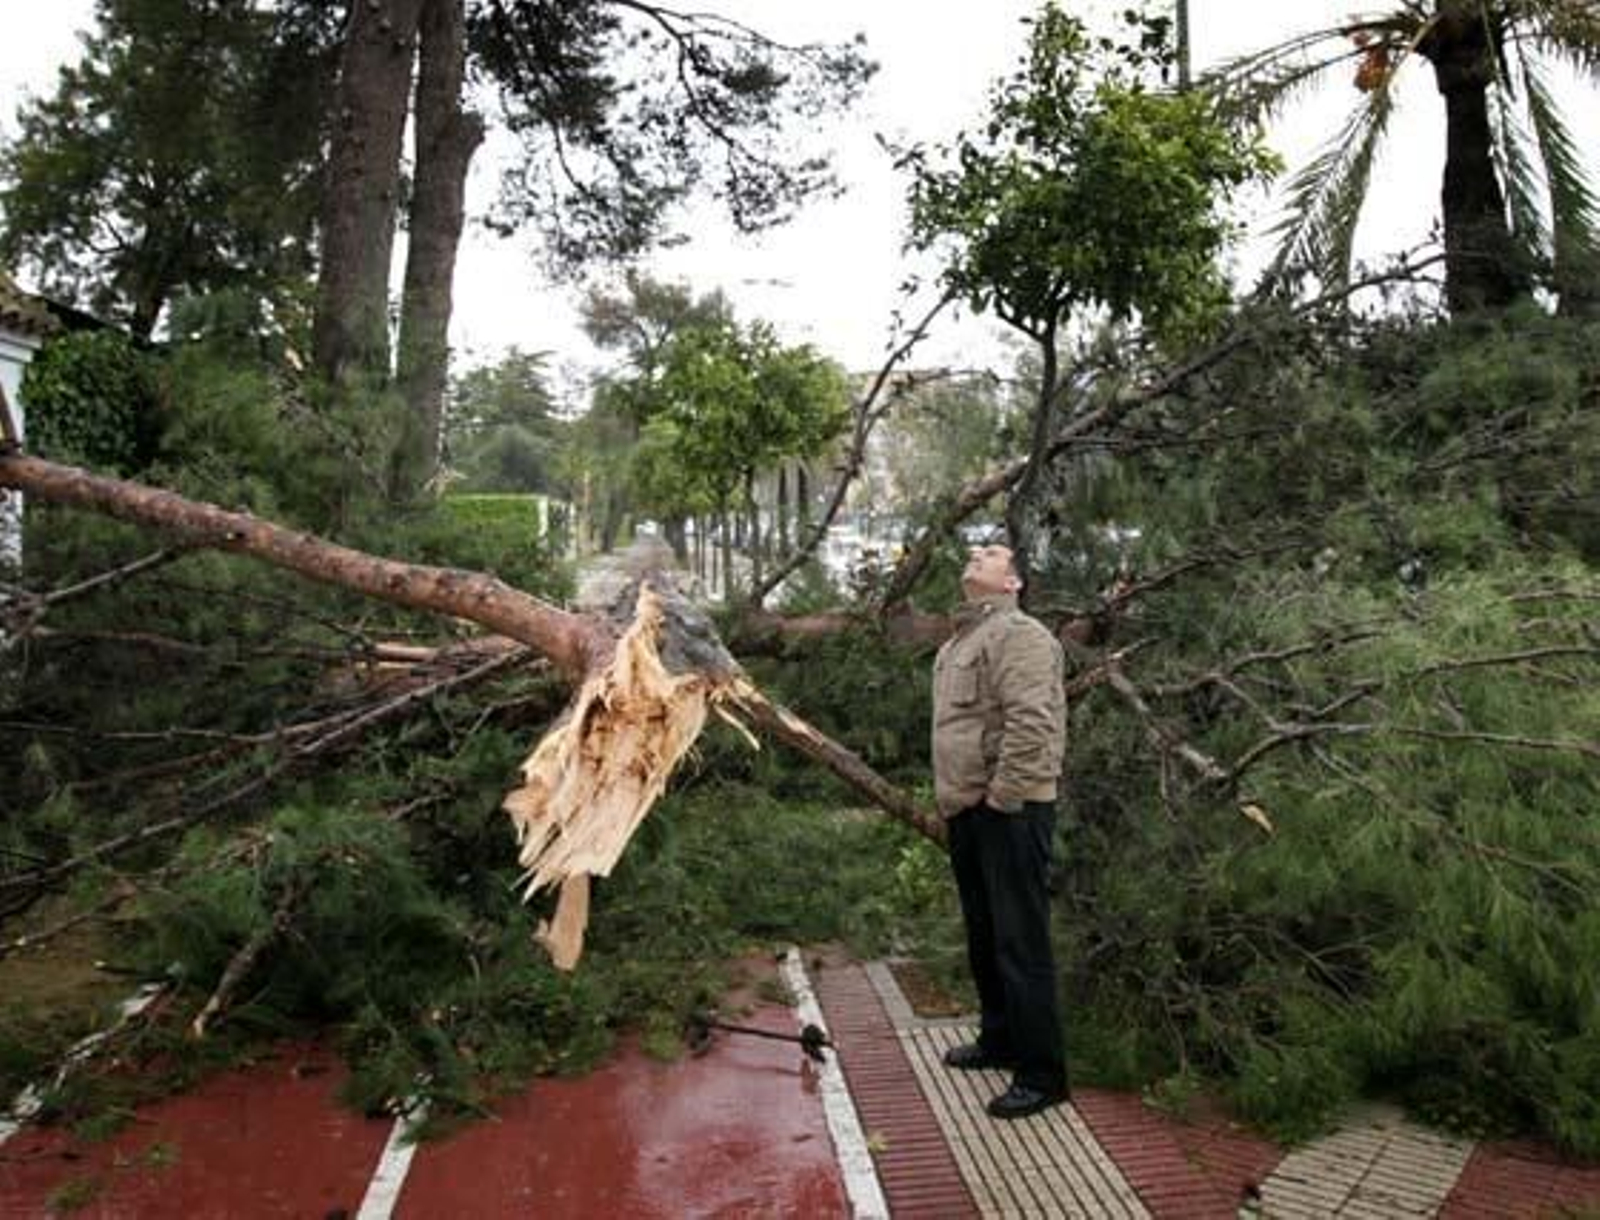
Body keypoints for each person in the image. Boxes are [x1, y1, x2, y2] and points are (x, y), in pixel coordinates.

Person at [932, 542, 1069, 1119]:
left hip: (1008, 812)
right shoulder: (960, 640)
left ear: (1012, 583)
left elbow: (1032, 722)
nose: (974, 554)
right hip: (969, 810)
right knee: (986, 936)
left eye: (989, 553)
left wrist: (1002, 798)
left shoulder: (1023, 636)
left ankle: (1042, 1076)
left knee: (1020, 943)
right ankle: (1000, 1040)